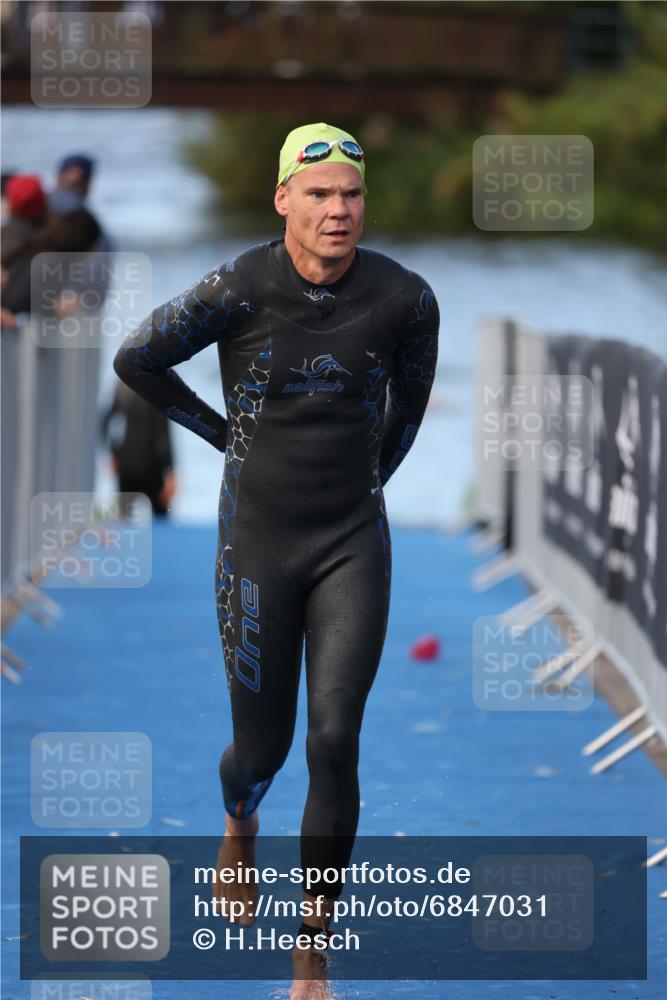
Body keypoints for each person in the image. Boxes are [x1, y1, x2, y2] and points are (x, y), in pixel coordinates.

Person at [113, 122, 440, 998]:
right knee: (261, 752)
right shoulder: (239, 287)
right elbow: (137, 358)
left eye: (352, 194)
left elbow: (407, 414)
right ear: (283, 200)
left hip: (350, 542)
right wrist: (224, 436)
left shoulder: (406, 299)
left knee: (334, 741)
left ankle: (311, 949)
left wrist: (361, 487)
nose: (338, 210)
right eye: (320, 194)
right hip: (256, 542)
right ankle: (239, 823)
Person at [102, 380, 176, 517]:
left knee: (124, 517)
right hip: (151, 466)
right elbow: (163, 435)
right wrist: (171, 471)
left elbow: (106, 422)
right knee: (160, 518)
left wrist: (113, 453)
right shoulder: (157, 386)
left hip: (127, 463)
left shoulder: (123, 385)